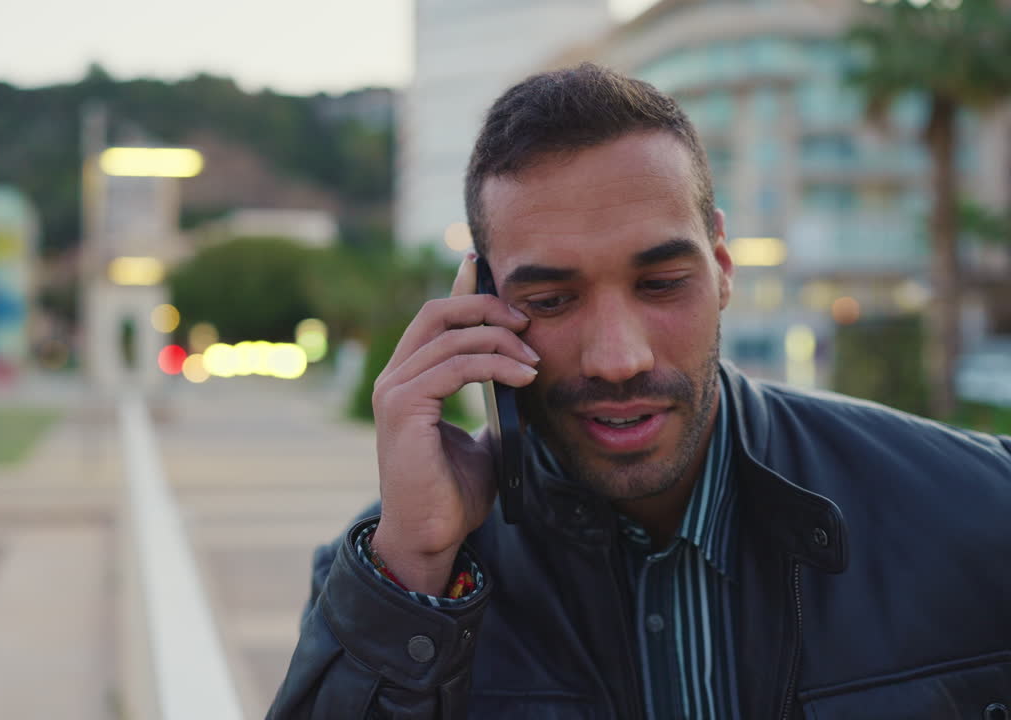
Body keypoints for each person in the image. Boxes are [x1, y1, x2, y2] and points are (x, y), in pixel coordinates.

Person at [267, 62, 1011, 719]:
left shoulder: (982, 509)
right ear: (479, 300)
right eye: (552, 299)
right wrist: (415, 574)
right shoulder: (390, 577)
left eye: (660, 283)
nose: (619, 357)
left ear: (722, 264)